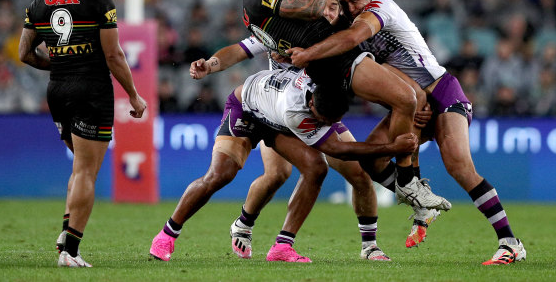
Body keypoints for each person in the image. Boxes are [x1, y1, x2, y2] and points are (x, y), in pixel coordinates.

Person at [288, 0, 526, 265]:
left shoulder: (380, 8)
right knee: (372, 160)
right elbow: (386, 77)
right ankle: (421, 202)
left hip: (443, 93)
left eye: (355, 1)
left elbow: (351, 37)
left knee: (458, 166)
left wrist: (307, 54)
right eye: (346, 3)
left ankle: (510, 243)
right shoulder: (352, 28)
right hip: (413, 100)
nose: (351, 8)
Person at [190, 0, 435, 261]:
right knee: (276, 175)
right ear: (314, 8)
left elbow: (374, 75)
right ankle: (244, 224)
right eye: (325, 7)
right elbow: (239, 50)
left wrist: (414, 101)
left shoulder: (342, 36)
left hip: (319, 111)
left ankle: (369, 246)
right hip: (278, 112)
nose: (329, 12)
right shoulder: (286, 29)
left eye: (334, 7)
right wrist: (210, 65)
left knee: (359, 175)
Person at [233, 0, 449, 212]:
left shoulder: (253, 6)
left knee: (412, 96)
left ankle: (405, 184)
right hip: (335, 62)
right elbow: (311, 8)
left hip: (328, 66)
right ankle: (407, 183)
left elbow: (288, 31)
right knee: (405, 99)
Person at [150, 66, 418, 263]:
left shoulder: (326, 86)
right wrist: (393, 148)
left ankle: (282, 246)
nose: (326, 124)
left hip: (275, 111)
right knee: (221, 174)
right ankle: (166, 235)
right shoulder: (295, 112)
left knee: (317, 169)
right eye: (322, 120)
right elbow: (339, 149)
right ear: (312, 104)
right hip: (248, 108)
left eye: (330, 121)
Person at [18, 0, 147, 268]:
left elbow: (24, 53)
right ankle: (71, 250)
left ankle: (65, 236)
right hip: (91, 90)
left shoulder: (38, 2)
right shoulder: (99, 0)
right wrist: (133, 94)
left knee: (79, 167)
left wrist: (59, 63)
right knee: (88, 171)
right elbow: (114, 55)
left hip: (58, 90)